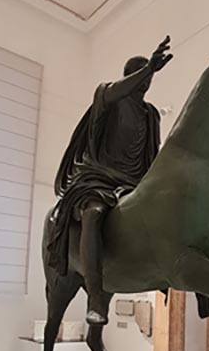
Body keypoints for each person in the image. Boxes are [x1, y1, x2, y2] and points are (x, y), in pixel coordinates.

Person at [47, 36, 173, 324]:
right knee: (93, 214)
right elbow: (117, 91)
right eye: (142, 76)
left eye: (150, 77)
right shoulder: (106, 96)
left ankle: (192, 286)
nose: (146, 82)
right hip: (99, 179)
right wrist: (149, 67)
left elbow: (152, 157)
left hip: (134, 184)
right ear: (129, 77)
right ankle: (94, 297)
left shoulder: (151, 114)